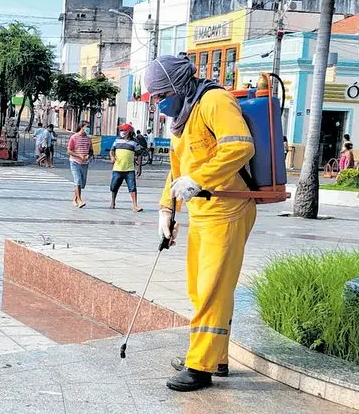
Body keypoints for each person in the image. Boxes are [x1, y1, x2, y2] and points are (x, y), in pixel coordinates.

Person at [145, 54, 257, 392]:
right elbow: (177, 171)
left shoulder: (214, 101)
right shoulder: (181, 118)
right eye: (155, 98)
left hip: (229, 209)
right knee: (200, 288)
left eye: (162, 95)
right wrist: (167, 210)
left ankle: (200, 367)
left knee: (212, 288)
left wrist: (200, 179)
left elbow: (240, 147)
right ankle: (215, 357)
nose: (159, 104)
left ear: (179, 86)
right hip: (203, 213)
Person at [110, 124, 143, 212]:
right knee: (114, 186)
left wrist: (139, 168)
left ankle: (135, 205)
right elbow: (112, 150)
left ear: (129, 132)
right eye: (121, 130)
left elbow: (139, 155)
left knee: (132, 187)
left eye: (124, 130)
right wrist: (112, 157)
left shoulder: (134, 142)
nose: (122, 132)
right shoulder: (117, 140)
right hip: (117, 169)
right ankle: (113, 202)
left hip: (129, 169)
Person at [67, 121, 92, 208]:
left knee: (81, 183)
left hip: (85, 163)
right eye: (87, 127)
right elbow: (69, 151)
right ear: (82, 127)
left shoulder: (88, 138)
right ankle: (80, 200)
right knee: (77, 180)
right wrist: (78, 156)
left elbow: (91, 150)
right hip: (75, 162)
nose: (88, 129)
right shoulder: (74, 137)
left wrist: (88, 155)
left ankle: (75, 199)